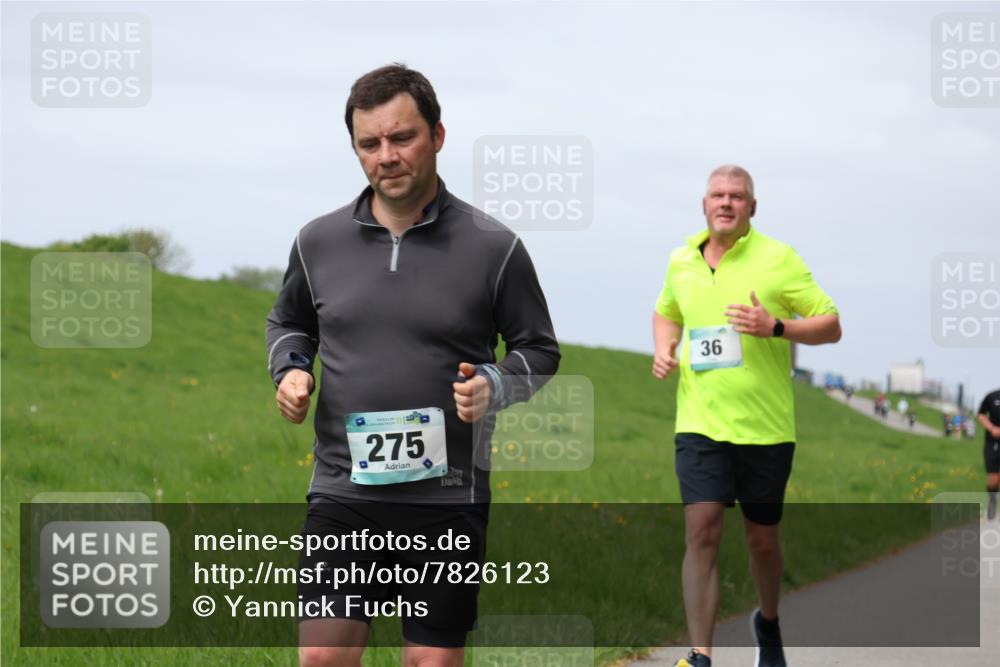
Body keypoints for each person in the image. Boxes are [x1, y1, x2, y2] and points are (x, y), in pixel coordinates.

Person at [266, 64, 560, 667]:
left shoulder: (493, 246)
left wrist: (496, 385)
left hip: (448, 494)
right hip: (344, 486)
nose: (386, 156)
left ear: (438, 136)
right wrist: (292, 370)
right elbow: (291, 324)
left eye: (402, 138)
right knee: (321, 658)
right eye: (369, 144)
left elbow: (539, 350)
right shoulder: (317, 242)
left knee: (432, 661)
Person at [651, 165, 841, 667]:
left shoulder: (779, 259)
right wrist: (663, 348)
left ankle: (769, 622)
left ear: (752, 207)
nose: (727, 203)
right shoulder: (681, 259)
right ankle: (700, 654)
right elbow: (667, 310)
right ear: (704, 203)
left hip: (765, 427)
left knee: (762, 539)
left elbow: (830, 324)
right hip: (699, 421)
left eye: (738, 196)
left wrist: (775, 325)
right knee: (702, 529)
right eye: (718, 194)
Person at [977, 389, 1000, 520]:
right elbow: (981, 415)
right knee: (993, 477)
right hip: (992, 442)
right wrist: (992, 428)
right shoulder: (992, 396)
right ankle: (992, 500)